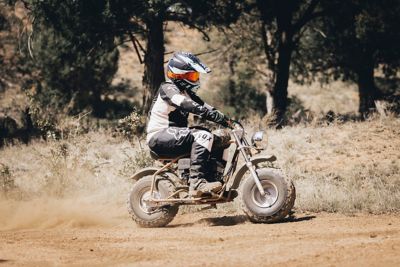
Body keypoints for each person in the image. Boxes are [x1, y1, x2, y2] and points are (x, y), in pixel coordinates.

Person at [146, 52, 232, 197]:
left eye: (196, 76)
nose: (196, 79)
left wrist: (227, 121)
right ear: (178, 75)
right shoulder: (168, 88)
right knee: (203, 135)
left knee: (221, 138)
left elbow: (207, 107)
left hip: (174, 136)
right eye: (192, 76)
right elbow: (185, 103)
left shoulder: (187, 93)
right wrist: (209, 114)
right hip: (159, 136)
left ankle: (213, 179)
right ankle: (197, 183)